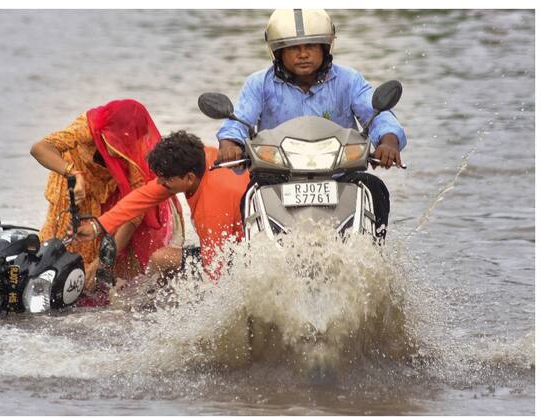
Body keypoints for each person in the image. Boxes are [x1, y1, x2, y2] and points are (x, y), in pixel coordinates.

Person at [216, 9, 407, 238]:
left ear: (325, 48)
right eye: (294, 48)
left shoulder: (349, 80)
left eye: (311, 47)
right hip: (278, 175)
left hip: (338, 174)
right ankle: (253, 254)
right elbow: (239, 120)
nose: (303, 54)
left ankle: (374, 259)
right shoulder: (259, 84)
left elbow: (378, 115)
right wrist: (229, 144)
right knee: (252, 192)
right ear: (278, 52)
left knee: (374, 188)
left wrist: (388, 142)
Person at [30, 99, 184, 305]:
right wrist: (72, 173)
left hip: (111, 194)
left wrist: (103, 262)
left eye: (124, 143)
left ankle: (93, 292)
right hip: (75, 187)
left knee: (102, 255)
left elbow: (135, 211)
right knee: (60, 243)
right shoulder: (87, 127)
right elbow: (40, 149)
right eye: (114, 141)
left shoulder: (136, 148)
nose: (117, 148)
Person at [74, 131, 249, 279]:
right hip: (239, 237)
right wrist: (97, 226)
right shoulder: (204, 157)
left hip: (240, 257)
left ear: (189, 178)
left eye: (165, 180)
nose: (160, 183)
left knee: (161, 260)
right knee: (163, 259)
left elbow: (215, 271)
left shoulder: (210, 210)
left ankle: (145, 304)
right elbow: (141, 197)